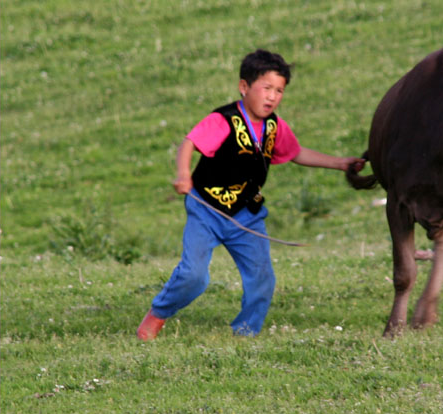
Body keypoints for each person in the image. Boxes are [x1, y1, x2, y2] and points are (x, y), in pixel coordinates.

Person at [136, 49, 365, 340]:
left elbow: (296, 152)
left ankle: (244, 334)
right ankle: (157, 315)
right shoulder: (224, 119)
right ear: (244, 87)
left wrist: (340, 163)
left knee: (262, 280)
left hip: (247, 215)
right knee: (194, 276)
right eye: (266, 88)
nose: (272, 97)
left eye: (279, 90)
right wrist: (183, 174)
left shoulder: (274, 127)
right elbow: (189, 143)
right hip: (206, 209)